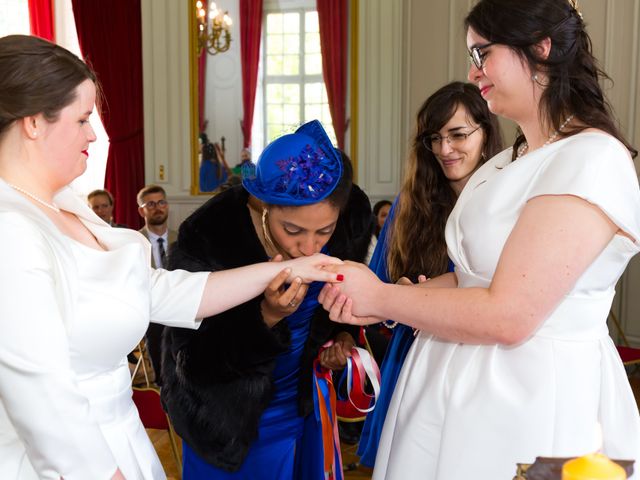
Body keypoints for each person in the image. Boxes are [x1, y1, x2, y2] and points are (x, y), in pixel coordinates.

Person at [319, 1, 640, 478]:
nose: (474, 74)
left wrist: (383, 294)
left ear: (540, 49)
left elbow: (509, 314)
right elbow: (470, 279)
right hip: (448, 387)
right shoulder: (505, 161)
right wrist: (383, 301)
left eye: (483, 54)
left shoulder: (591, 158)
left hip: (533, 397)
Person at [0, 35, 342, 480]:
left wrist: (289, 268)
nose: (93, 133)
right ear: (33, 123)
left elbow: (162, 291)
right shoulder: (11, 228)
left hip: (119, 435)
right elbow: (41, 394)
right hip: (70, 459)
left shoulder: (63, 202)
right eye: (83, 118)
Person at [161, 120, 374, 479]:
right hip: (227, 419)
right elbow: (194, 363)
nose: (309, 247)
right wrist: (266, 317)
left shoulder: (350, 221)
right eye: (292, 230)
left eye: (324, 231)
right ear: (261, 204)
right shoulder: (209, 238)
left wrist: (341, 338)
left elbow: (332, 311)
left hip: (301, 407)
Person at [357, 81, 503, 468]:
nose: (444, 149)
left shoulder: (507, 199)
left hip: (487, 354)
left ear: (486, 133)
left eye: (458, 135)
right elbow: (380, 288)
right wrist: (401, 296)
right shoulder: (411, 203)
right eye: (434, 139)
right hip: (415, 351)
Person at [137, 184, 177, 384]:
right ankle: (162, 385)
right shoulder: (133, 243)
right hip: (151, 311)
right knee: (157, 334)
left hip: (181, 307)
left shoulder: (182, 238)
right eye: (150, 204)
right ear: (141, 210)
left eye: (161, 202)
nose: (157, 208)